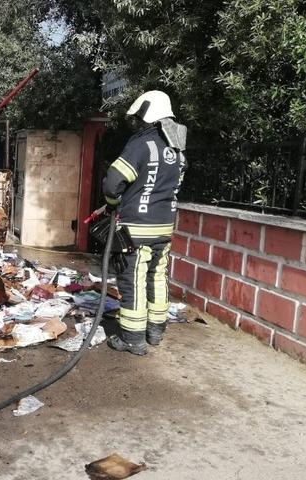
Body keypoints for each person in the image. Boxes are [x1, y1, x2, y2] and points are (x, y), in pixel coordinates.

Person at [102, 90, 188, 356]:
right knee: (157, 275)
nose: (138, 122)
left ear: (148, 114)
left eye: (139, 116)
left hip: (137, 228)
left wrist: (113, 204)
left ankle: (133, 338)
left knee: (133, 280)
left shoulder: (142, 144)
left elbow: (113, 181)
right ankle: (156, 332)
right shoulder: (178, 149)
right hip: (164, 227)